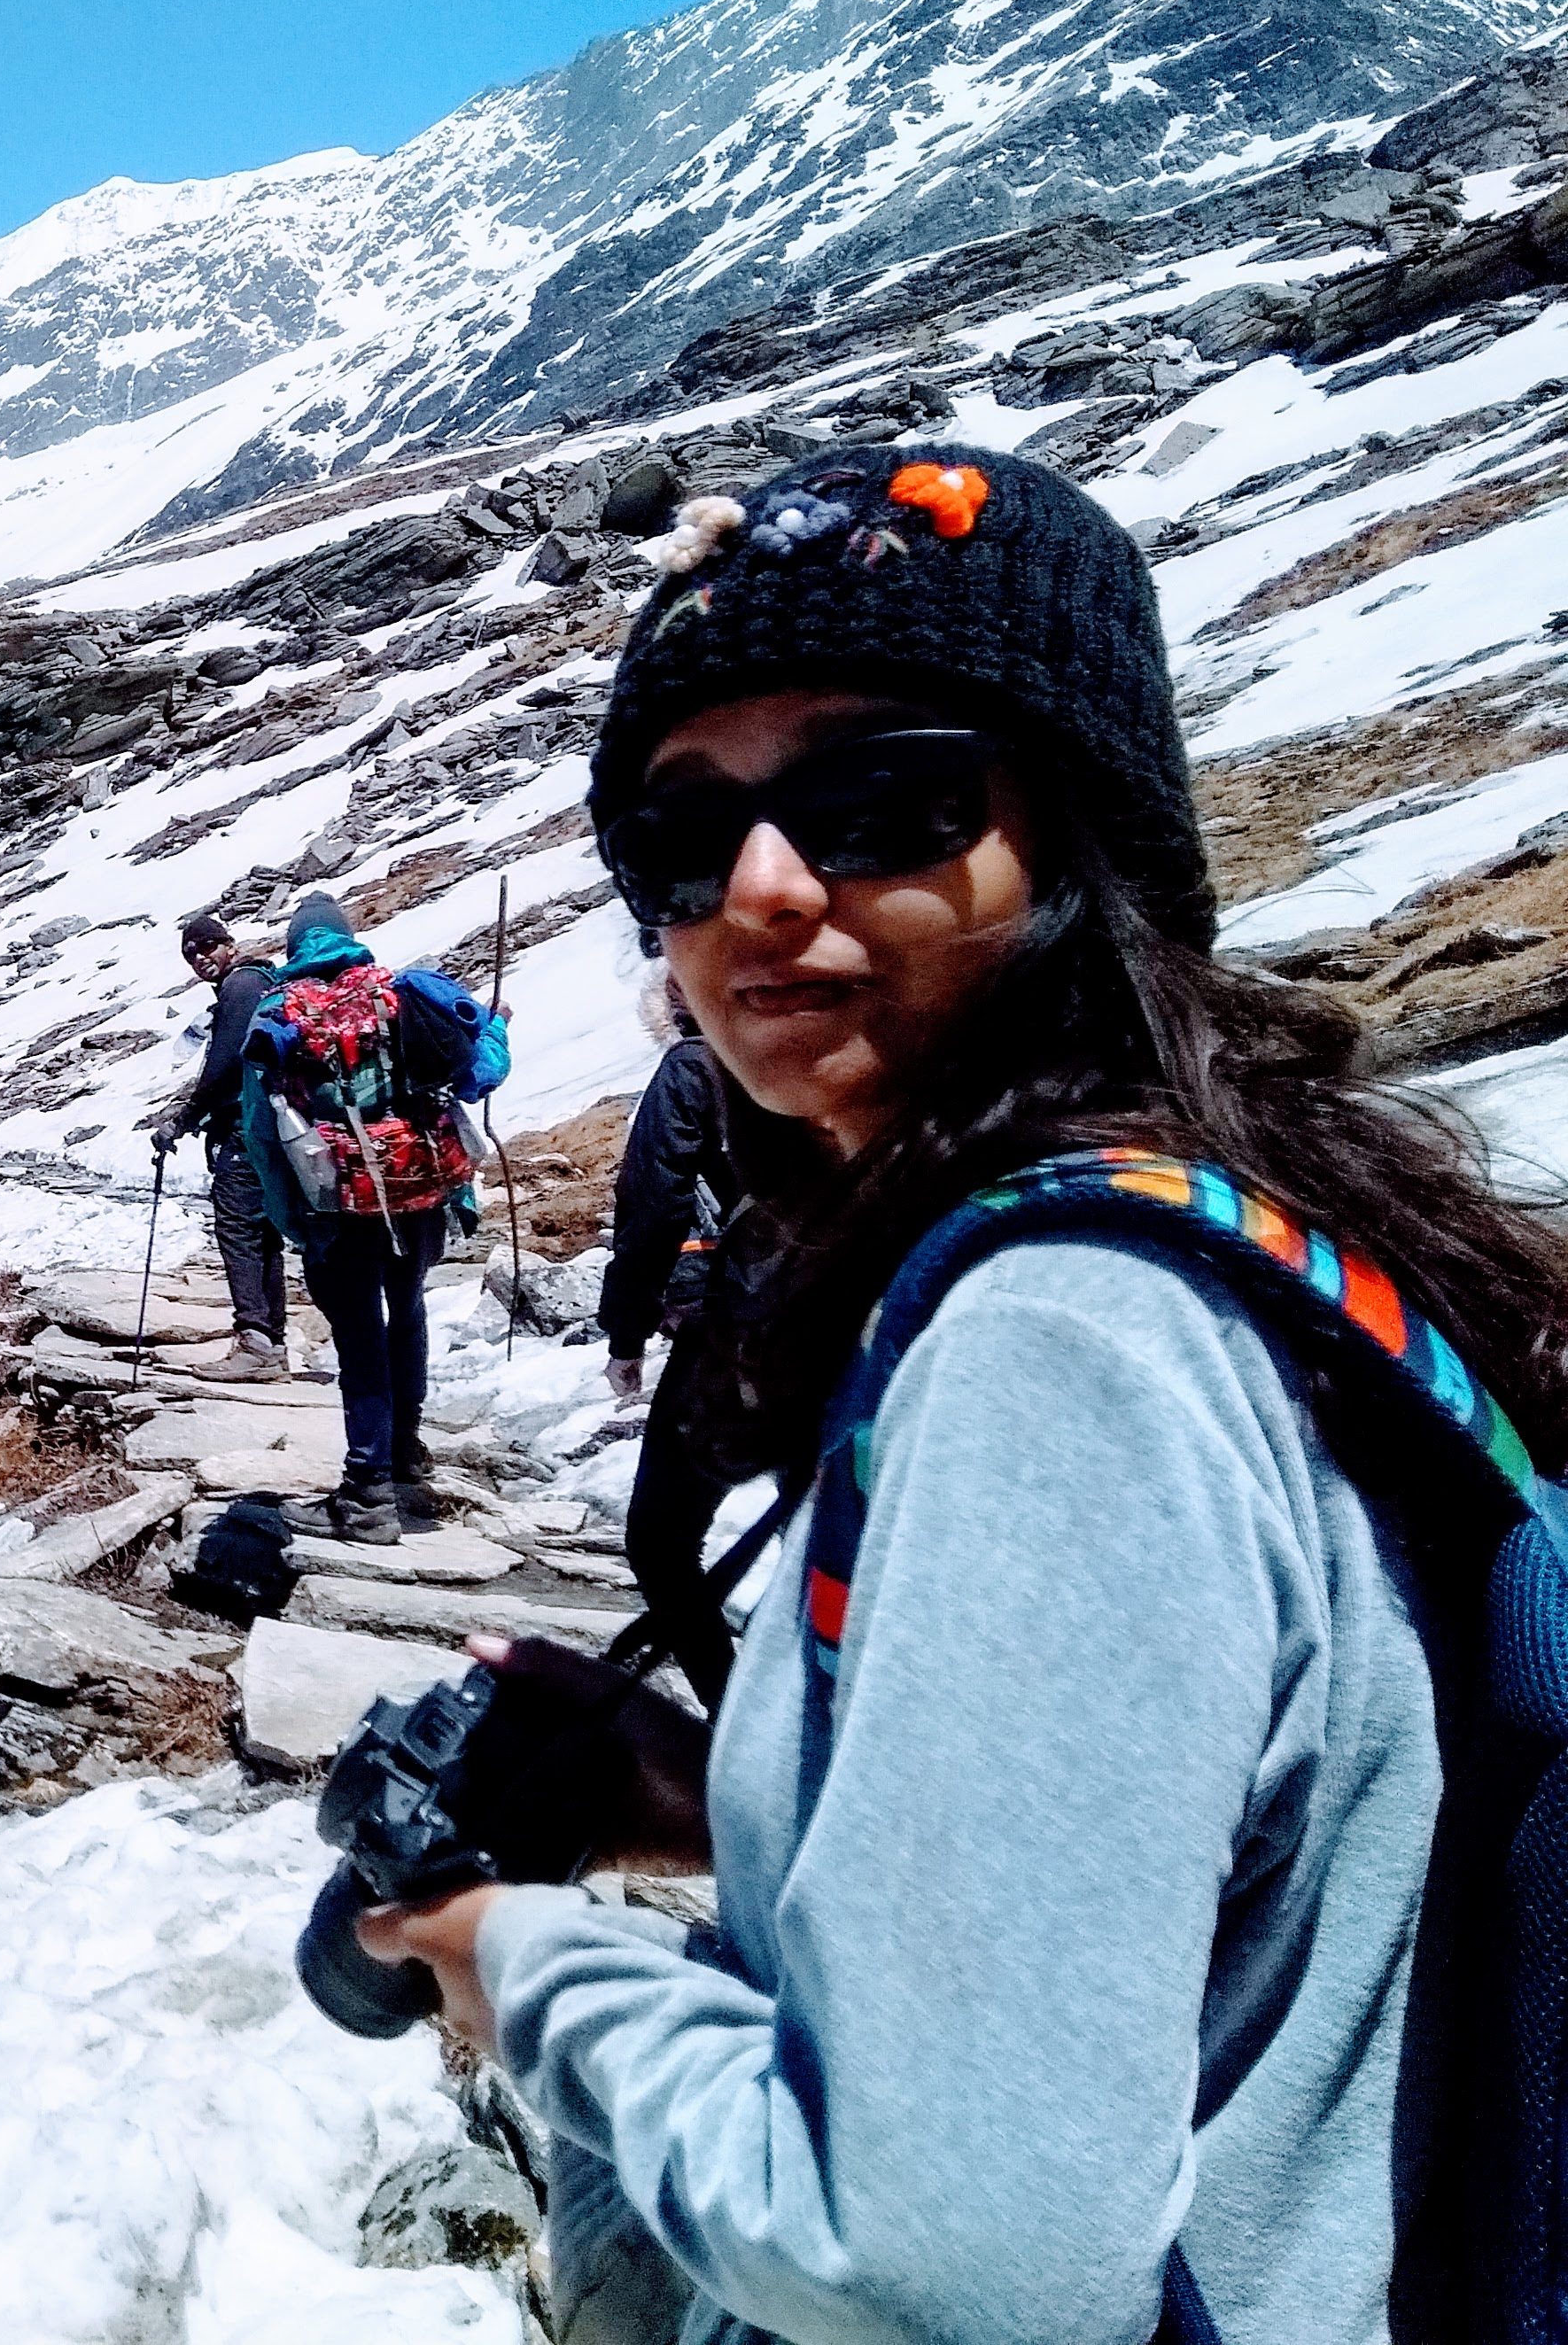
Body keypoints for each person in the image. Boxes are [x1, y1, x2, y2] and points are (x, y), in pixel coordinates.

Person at [353, 445, 1568, 2343]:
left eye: (882, 800)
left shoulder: (1059, 1342)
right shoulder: (1251, 1237)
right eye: (681, 838)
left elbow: (938, 2269)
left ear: (1072, 841)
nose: (757, 893)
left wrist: (514, 1962)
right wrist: (718, 1804)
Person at [245, 889, 456, 1542]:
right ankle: (407, 1462)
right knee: (409, 1310)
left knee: (360, 1338)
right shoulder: (402, 995)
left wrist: (296, 1223)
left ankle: (367, 1497)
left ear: (293, 948)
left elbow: (261, 1133)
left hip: (339, 1202)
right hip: (420, 1192)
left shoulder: (280, 1013)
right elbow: (479, 1068)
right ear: (347, 936)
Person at [152, 913, 290, 1382]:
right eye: (192, 953)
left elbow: (225, 1064)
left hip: (244, 1128)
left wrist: (187, 1116)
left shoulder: (240, 987)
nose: (201, 957)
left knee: (238, 1230)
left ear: (229, 944)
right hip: (269, 1126)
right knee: (262, 1231)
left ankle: (256, 1343)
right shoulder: (260, 984)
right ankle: (272, 1338)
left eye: (208, 946)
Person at [595, 1001, 734, 1407]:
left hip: (720, 1285)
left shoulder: (690, 1066)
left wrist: (627, 1337)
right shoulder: (821, 1050)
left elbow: (657, 1205)